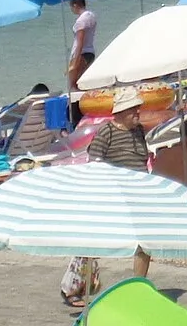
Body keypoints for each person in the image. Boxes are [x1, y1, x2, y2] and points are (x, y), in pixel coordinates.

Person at [63, 88, 155, 307]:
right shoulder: (107, 132)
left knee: (144, 242)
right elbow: (94, 163)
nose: (138, 113)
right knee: (92, 241)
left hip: (138, 195)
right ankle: (72, 288)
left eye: (137, 108)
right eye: (134, 109)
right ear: (121, 112)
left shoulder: (138, 131)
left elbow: (141, 160)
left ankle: (138, 287)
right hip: (114, 195)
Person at [68, 0, 99, 90]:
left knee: (74, 84)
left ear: (75, 5)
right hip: (90, 52)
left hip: (81, 53)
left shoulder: (81, 21)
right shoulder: (91, 16)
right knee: (82, 83)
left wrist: (75, 61)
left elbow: (80, 42)